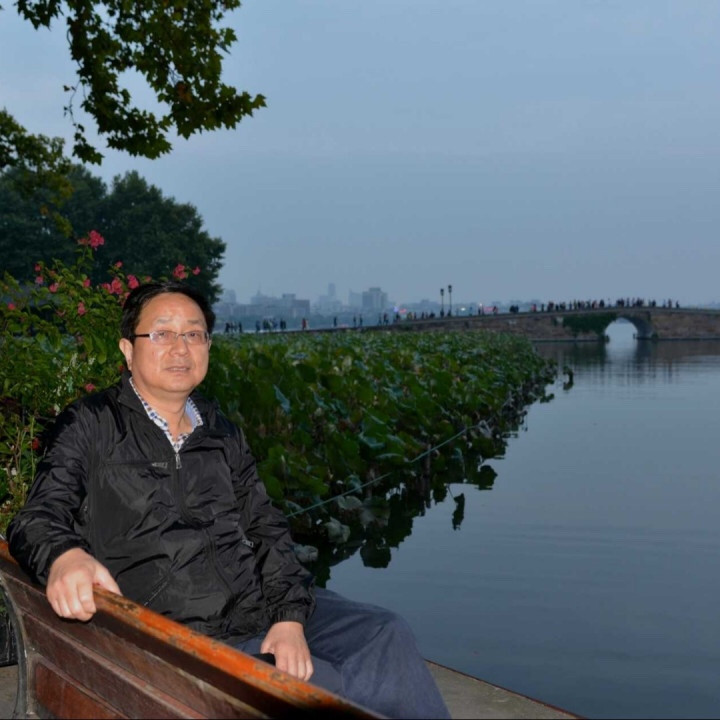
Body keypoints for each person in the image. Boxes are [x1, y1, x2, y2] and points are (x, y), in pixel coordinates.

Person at [7, 281, 449, 719]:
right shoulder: (92, 424)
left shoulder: (221, 432)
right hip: (181, 630)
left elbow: (266, 528)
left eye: (193, 334)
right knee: (323, 685)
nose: (180, 348)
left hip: (253, 603)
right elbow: (36, 518)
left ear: (208, 347)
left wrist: (288, 617)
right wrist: (65, 556)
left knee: (384, 633)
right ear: (128, 349)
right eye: (162, 333)